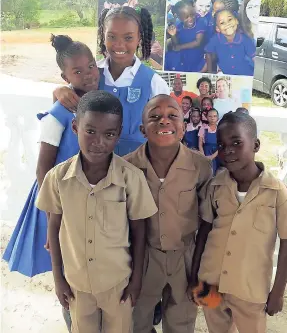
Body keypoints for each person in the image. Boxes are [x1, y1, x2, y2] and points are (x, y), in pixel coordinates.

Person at [36, 91, 157, 333]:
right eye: (90, 131)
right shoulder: (58, 178)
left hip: (118, 284)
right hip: (76, 284)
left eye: (109, 134)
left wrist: (136, 281)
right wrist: (58, 278)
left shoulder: (130, 178)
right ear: (75, 126)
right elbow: (54, 226)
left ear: (118, 134)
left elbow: (140, 232)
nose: (98, 141)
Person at [2, 34, 100, 331]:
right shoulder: (57, 116)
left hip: (91, 200)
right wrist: (52, 214)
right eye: (77, 72)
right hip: (60, 202)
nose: (88, 75)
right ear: (65, 76)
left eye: (91, 66)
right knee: (67, 267)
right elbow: (43, 170)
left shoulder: (98, 99)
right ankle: (74, 323)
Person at [190, 111, 287, 333]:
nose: (229, 151)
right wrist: (194, 276)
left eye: (236, 142)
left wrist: (278, 291)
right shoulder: (215, 187)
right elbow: (204, 232)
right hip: (210, 283)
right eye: (222, 145)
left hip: (249, 290)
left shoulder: (277, 192)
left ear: (256, 145)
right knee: (217, 328)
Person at [124, 94, 213, 333]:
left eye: (172, 116)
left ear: (183, 128)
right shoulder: (127, 167)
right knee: (136, 319)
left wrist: (200, 269)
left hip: (184, 258)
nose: (164, 121)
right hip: (143, 257)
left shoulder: (200, 166)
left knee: (181, 321)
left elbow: (207, 220)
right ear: (143, 129)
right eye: (155, 117)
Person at [52, 6, 169, 156]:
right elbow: (64, 106)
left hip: (134, 171)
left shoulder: (154, 83)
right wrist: (59, 91)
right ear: (103, 35)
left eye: (128, 38)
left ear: (139, 37)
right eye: (112, 37)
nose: (119, 45)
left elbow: (164, 131)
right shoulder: (91, 73)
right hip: (91, 170)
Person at [205, 9, 256, 76]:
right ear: (217, 28)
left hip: (245, 74)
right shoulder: (215, 39)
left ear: (236, 21)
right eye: (222, 23)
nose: (227, 24)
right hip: (226, 75)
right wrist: (209, 72)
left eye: (229, 20)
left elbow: (254, 58)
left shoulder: (245, 39)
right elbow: (208, 53)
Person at [166, 0, 207, 73]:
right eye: (186, 17)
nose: (190, 19)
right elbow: (176, 45)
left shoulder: (200, 23)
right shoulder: (179, 27)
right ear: (179, 17)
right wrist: (173, 35)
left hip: (197, 59)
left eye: (192, 15)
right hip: (184, 60)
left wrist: (180, 47)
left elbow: (197, 42)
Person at [199, 108, 220, 175]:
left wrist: (213, 156)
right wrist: (203, 156)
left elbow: (221, 145)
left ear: (218, 117)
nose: (212, 118)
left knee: (216, 174)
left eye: (214, 116)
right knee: (206, 174)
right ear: (207, 117)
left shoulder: (220, 129)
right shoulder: (203, 128)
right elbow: (200, 144)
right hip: (206, 153)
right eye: (210, 116)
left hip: (217, 154)